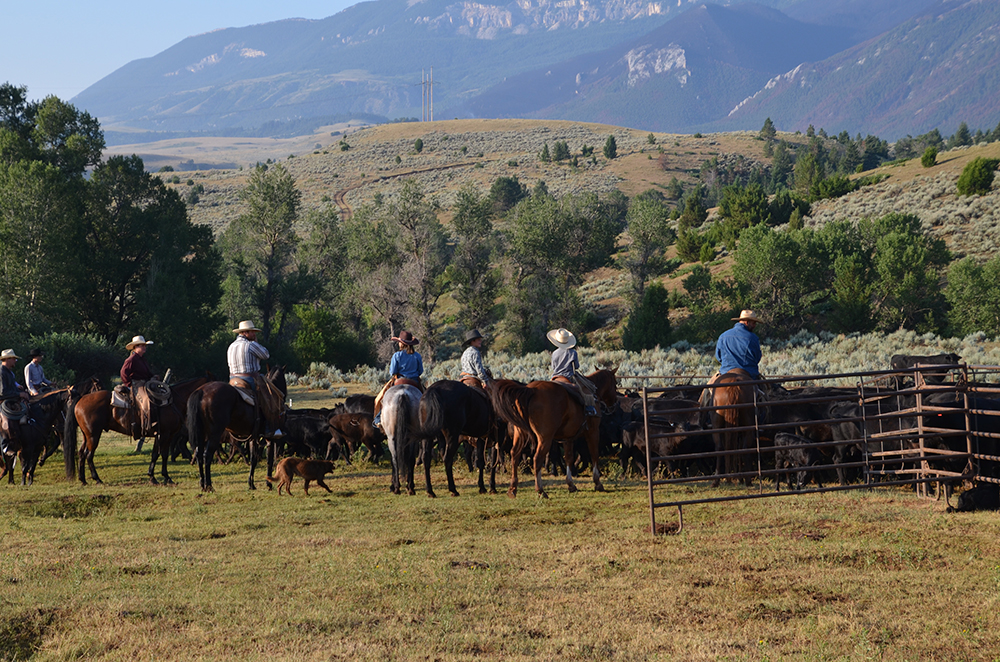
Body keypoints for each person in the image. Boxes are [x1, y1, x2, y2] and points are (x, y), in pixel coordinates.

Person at [228, 320, 283, 438]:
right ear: (245, 333)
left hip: (233, 379)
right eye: (253, 332)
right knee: (269, 397)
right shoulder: (251, 345)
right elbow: (266, 355)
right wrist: (257, 343)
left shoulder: (231, 346)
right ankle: (270, 427)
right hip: (249, 378)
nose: (254, 335)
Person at [373, 331, 423, 427]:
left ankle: (378, 418)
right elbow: (420, 371)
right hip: (414, 382)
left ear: (402, 343)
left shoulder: (397, 355)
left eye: (399, 342)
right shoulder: (417, 356)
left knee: (382, 397)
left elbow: (392, 372)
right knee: (425, 397)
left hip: (399, 381)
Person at [547, 328, 598, 416]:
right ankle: (589, 409)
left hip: (555, 377)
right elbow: (577, 366)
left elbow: (553, 367)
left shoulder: (554, 353)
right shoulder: (573, 352)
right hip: (568, 377)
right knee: (584, 391)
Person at [714, 310, 763, 381]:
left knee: (709, 388)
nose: (754, 326)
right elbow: (757, 358)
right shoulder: (753, 338)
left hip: (725, 373)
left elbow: (718, 357)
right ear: (747, 322)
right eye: (753, 323)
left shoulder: (723, 336)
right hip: (749, 374)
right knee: (767, 390)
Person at [0, 349, 29, 453]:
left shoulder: (9, 372)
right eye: (13, 359)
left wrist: (21, 391)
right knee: (6, 422)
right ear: (7, 359)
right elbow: (3, 393)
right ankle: (4, 444)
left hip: (11, 400)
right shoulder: (2, 372)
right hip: (3, 401)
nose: (15, 361)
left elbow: (11, 389)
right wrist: (19, 394)